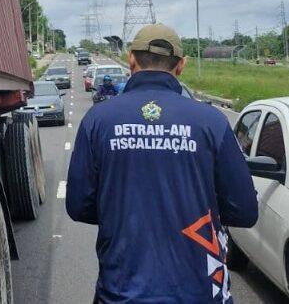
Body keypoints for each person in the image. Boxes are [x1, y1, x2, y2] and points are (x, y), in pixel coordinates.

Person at [66, 23, 258, 304]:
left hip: (120, 293)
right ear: (181, 65)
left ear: (131, 59)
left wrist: (121, 210)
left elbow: (78, 205)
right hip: (200, 292)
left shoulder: (98, 119)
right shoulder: (211, 121)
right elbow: (244, 211)